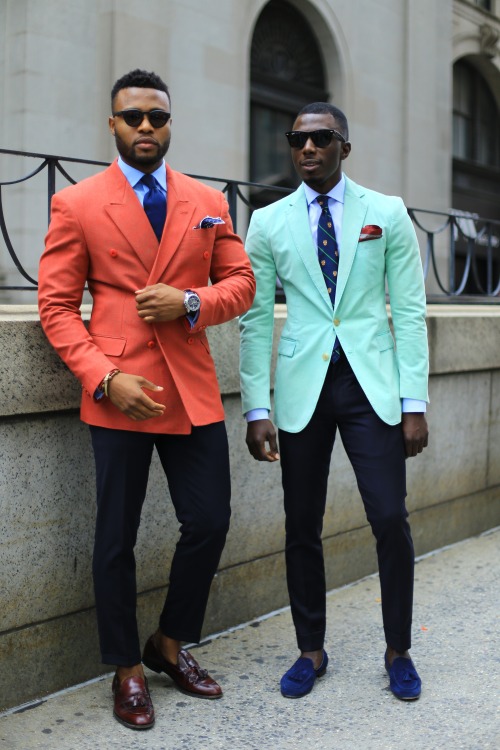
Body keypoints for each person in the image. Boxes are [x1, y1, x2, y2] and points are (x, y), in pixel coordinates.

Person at [38, 68, 255, 730]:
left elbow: (242, 282)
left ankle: (169, 641)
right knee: (115, 539)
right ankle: (126, 667)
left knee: (210, 520)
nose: (144, 128)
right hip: (119, 393)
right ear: (113, 125)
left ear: (169, 124)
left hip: (190, 390)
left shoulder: (206, 198)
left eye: (156, 118)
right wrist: (105, 377)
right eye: (132, 117)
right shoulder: (77, 203)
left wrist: (192, 301)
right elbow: (55, 307)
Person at [239, 102, 429, 701]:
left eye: (321, 138)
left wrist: (414, 400)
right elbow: (254, 320)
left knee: (390, 518)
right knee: (301, 524)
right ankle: (310, 650)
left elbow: (412, 312)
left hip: (371, 385)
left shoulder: (387, 213)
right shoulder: (268, 222)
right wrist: (256, 408)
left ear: (344, 147)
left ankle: (398, 648)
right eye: (298, 139)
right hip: (303, 388)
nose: (308, 148)